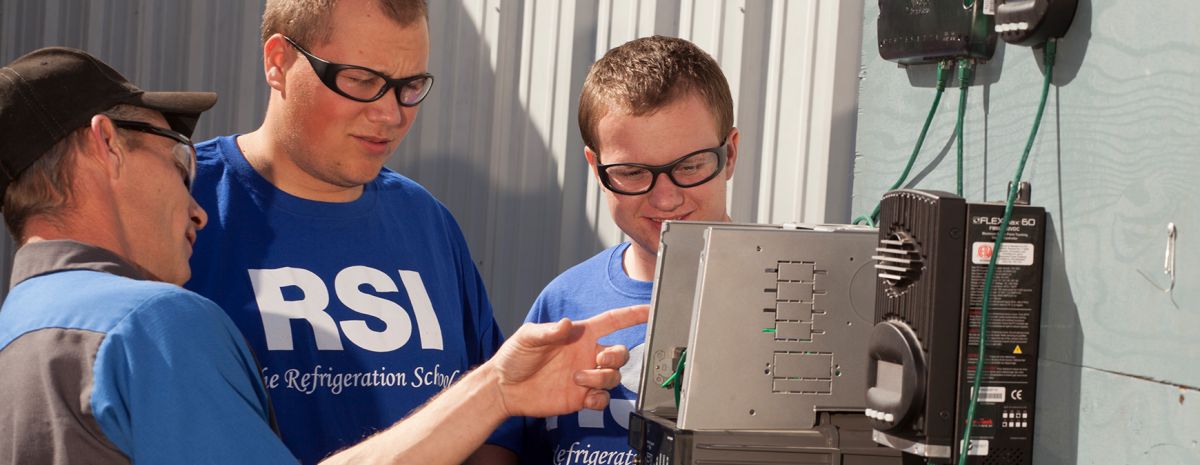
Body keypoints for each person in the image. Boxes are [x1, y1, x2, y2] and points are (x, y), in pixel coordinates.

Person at [0, 46, 645, 465]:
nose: (196, 205)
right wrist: (496, 389)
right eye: (176, 160)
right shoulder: (150, 324)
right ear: (106, 144)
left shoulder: (17, 331)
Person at [182, 0, 527, 462]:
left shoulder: (425, 220)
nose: (391, 114)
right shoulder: (182, 202)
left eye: (409, 86)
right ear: (278, 62)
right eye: (362, 81)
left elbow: (492, 428)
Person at [518, 36, 739, 464]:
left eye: (690, 166)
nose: (666, 198)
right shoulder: (564, 304)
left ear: (728, 155)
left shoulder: (794, 300)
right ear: (596, 170)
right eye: (633, 172)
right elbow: (507, 447)